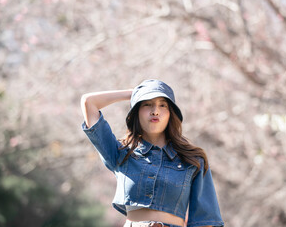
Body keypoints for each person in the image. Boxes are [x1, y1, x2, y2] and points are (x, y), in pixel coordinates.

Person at [81, 79, 224, 227]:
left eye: (162, 105)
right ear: (136, 112)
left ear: (171, 113)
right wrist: (135, 93)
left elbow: (205, 221)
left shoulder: (192, 160)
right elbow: (89, 102)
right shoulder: (121, 153)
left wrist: (145, 95)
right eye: (147, 104)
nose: (155, 111)